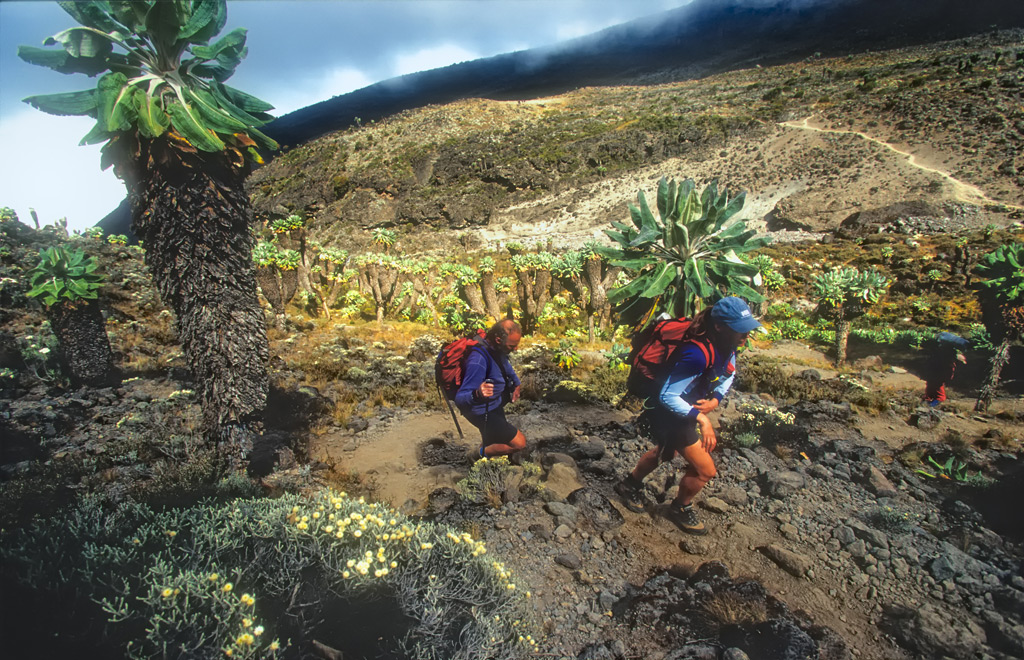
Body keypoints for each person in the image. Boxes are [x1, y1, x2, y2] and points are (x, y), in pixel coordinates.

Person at [614, 297, 760, 535]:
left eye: (747, 330)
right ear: (720, 326)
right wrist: (702, 419)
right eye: (739, 330)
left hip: (684, 408)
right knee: (705, 471)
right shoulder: (697, 354)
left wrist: (716, 399)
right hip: (669, 413)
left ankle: (629, 484)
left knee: (665, 452)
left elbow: (728, 373)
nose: (745, 336)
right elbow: (667, 396)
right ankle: (680, 508)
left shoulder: (728, 344)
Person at [455, 319, 526, 459]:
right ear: (498, 339)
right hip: (481, 411)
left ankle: (486, 464)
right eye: (512, 346)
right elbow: (460, 398)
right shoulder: (478, 360)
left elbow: (505, 365)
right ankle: (476, 455)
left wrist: (516, 383)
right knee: (519, 443)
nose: (516, 349)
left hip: (494, 405)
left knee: (494, 441)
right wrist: (477, 394)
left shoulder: (495, 349)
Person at [923, 332, 969, 407]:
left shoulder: (948, 353)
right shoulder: (947, 351)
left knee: (937, 385)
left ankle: (936, 402)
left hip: (942, 371)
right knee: (932, 384)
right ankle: (928, 400)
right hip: (938, 370)